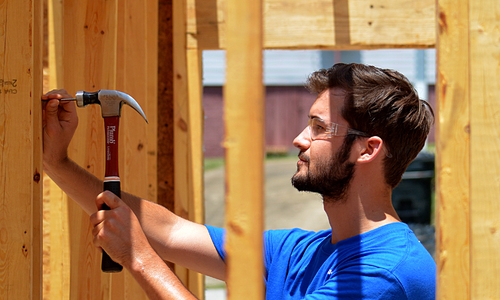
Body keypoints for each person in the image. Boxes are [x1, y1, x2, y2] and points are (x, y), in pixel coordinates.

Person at [42, 63, 436, 299]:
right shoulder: (300, 251)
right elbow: (173, 232)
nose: (299, 138)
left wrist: (141, 259)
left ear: (367, 150)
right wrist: (57, 163)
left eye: (318, 128)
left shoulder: (385, 274)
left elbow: (151, 246)